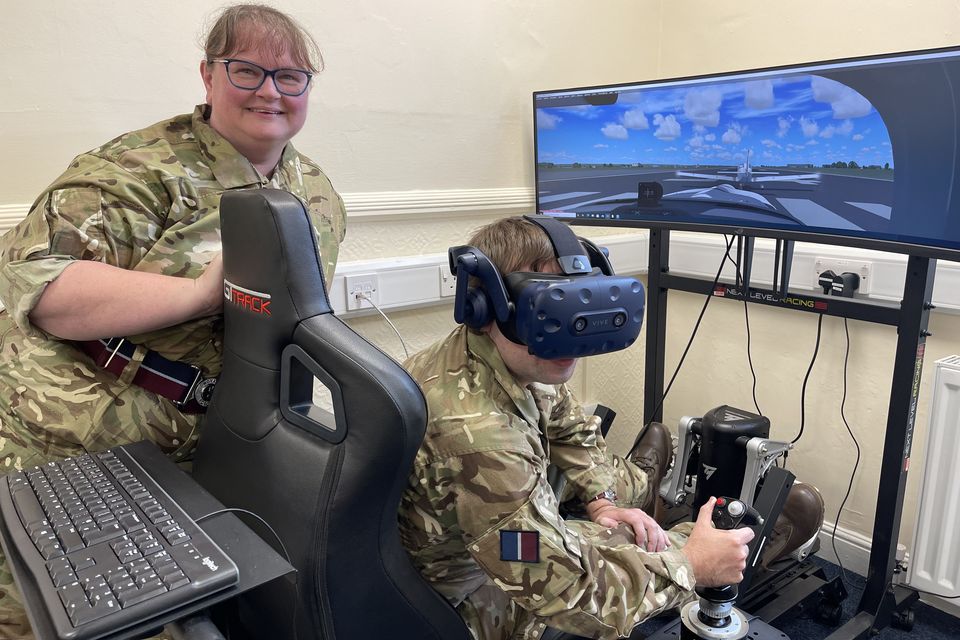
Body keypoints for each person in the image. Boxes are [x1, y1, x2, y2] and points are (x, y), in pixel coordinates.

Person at [0, 4, 346, 638]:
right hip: (86, 444)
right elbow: (41, 289)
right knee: (75, 620)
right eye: (247, 70)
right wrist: (198, 294)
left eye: (290, 77)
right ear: (208, 75)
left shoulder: (315, 193)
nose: (270, 92)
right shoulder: (134, 170)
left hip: (221, 444)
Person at [398, 216, 756, 640]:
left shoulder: (508, 353)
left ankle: (641, 488)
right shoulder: (481, 438)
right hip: (455, 606)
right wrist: (693, 564)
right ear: (485, 306)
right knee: (635, 543)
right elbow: (572, 593)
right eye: (550, 309)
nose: (568, 333)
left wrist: (602, 502)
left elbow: (569, 428)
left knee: (619, 504)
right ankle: (734, 543)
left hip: (465, 533)